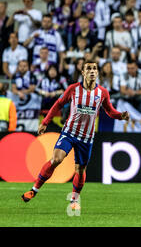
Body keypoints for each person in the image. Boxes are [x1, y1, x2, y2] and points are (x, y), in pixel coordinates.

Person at [21, 60, 130, 210]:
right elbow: (58, 104)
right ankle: (34, 190)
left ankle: (74, 200)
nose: (92, 71)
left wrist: (120, 116)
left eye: (94, 69)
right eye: (89, 69)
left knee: (80, 170)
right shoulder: (73, 89)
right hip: (69, 132)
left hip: (86, 138)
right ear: (83, 73)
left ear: (97, 73)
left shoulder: (103, 93)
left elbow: (110, 110)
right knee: (56, 159)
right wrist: (45, 122)